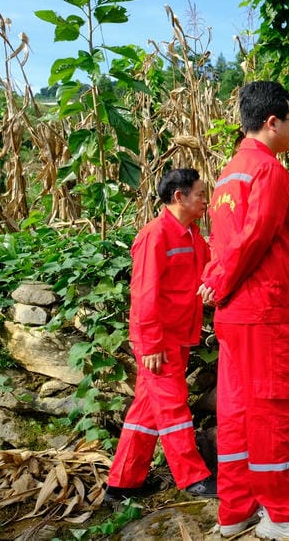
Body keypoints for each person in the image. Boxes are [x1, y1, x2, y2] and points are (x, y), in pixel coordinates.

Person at [199, 81, 289, 539]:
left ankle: (235, 510)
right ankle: (283, 513)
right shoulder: (269, 171)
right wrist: (219, 281)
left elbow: (224, 242)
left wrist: (217, 284)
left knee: (235, 415)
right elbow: (253, 239)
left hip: (234, 315)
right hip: (265, 308)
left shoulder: (226, 174)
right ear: (271, 122)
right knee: (273, 410)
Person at [105, 168, 215, 502]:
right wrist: (151, 343)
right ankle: (193, 478)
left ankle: (121, 485)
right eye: (199, 194)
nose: (205, 201)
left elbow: (210, 268)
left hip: (179, 336)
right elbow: (144, 294)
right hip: (159, 342)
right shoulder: (155, 235)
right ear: (179, 196)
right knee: (172, 407)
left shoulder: (193, 235)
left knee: (145, 412)